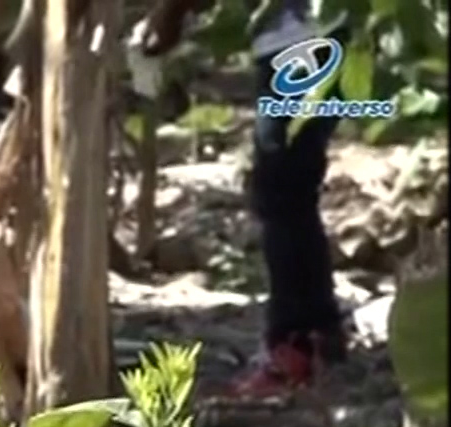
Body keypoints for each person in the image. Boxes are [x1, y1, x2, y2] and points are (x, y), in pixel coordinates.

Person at [127, 0, 352, 399]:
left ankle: (295, 344)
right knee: (289, 187)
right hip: (305, 38)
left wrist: (170, 14)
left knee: (282, 188)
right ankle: (318, 333)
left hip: (305, 40)